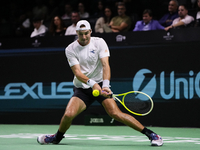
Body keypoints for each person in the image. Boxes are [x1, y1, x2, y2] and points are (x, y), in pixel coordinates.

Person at [37, 20, 163, 146]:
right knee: (68, 114)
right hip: (82, 88)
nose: (84, 37)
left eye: (86, 33)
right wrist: (92, 84)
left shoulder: (99, 42)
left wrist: (106, 85)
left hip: (101, 86)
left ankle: (152, 135)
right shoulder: (70, 49)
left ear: (91, 31)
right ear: (77, 33)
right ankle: (56, 138)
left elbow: (105, 65)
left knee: (115, 113)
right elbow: (78, 73)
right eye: (81, 34)